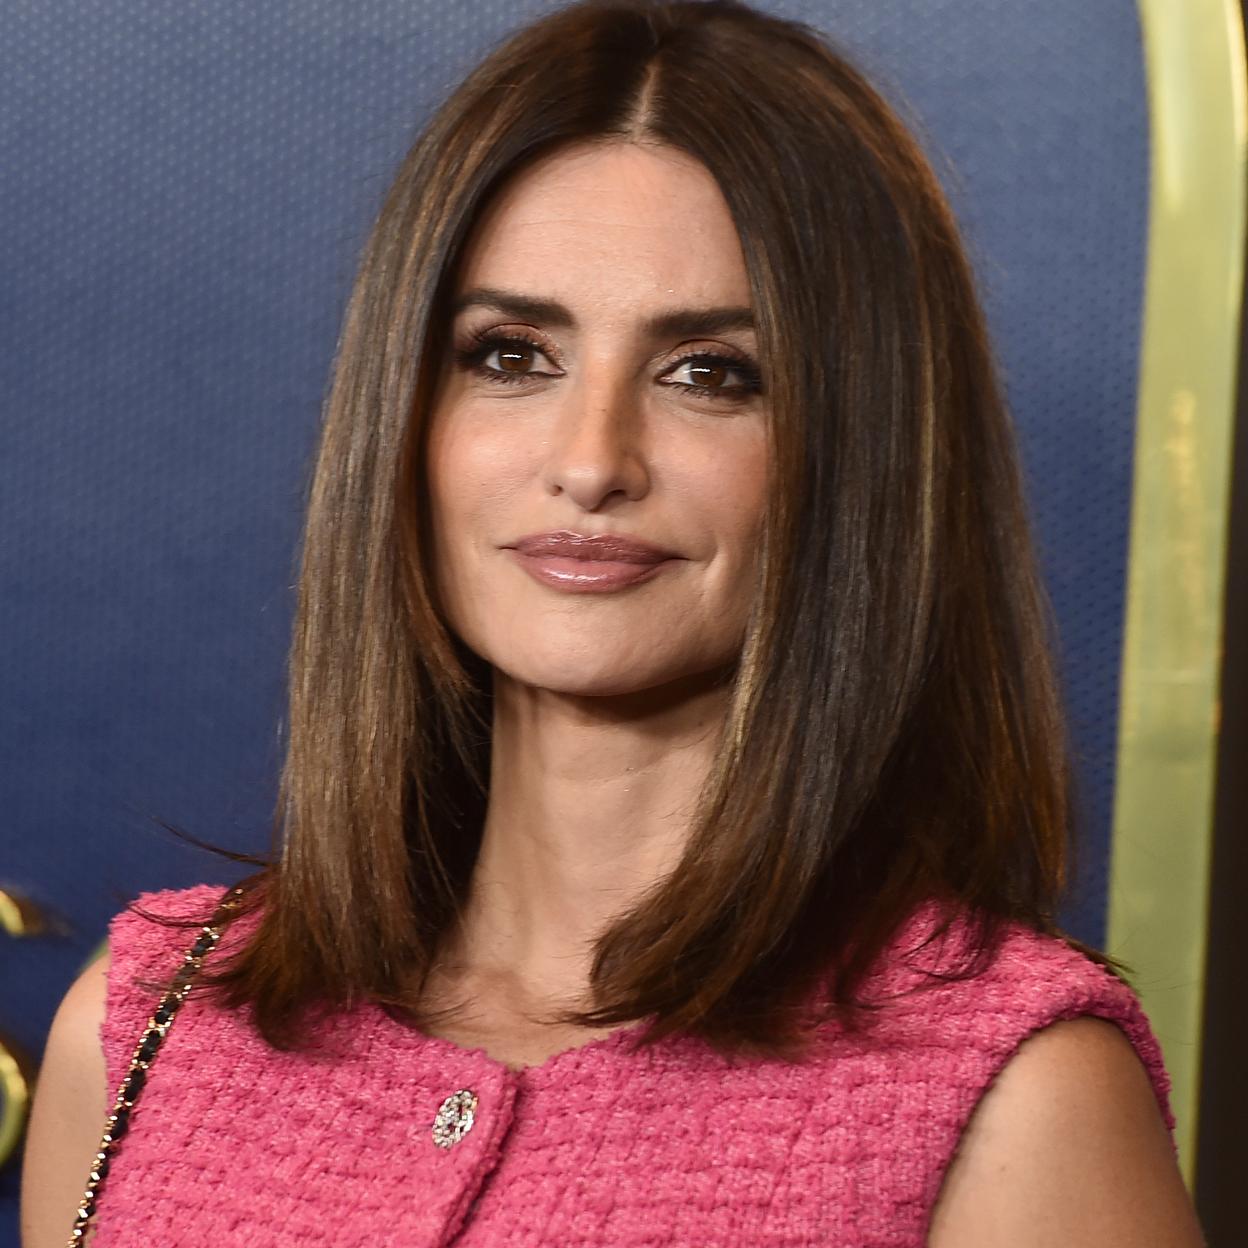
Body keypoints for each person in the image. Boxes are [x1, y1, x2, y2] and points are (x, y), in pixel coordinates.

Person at [21, 1, 1207, 1244]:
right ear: (405, 415)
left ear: (864, 459)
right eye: (511, 355)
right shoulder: (150, 1028)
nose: (591, 462)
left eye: (711, 373)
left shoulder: (1014, 1095)